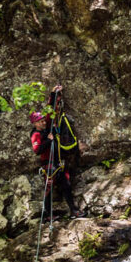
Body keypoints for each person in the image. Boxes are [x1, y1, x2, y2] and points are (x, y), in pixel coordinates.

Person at [29, 85, 84, 218]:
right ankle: (47, 215)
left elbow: (51, 111)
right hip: (48, 164)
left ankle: (74, 211)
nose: (43, 123)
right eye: (40, 122)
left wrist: (54, 94)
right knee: (49, 190)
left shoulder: (47, 128)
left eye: (43, 121)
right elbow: (37, 150)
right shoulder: (36, 134)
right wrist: (48, 140)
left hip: (58, 163)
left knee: (66, 186)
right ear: (35, 124)